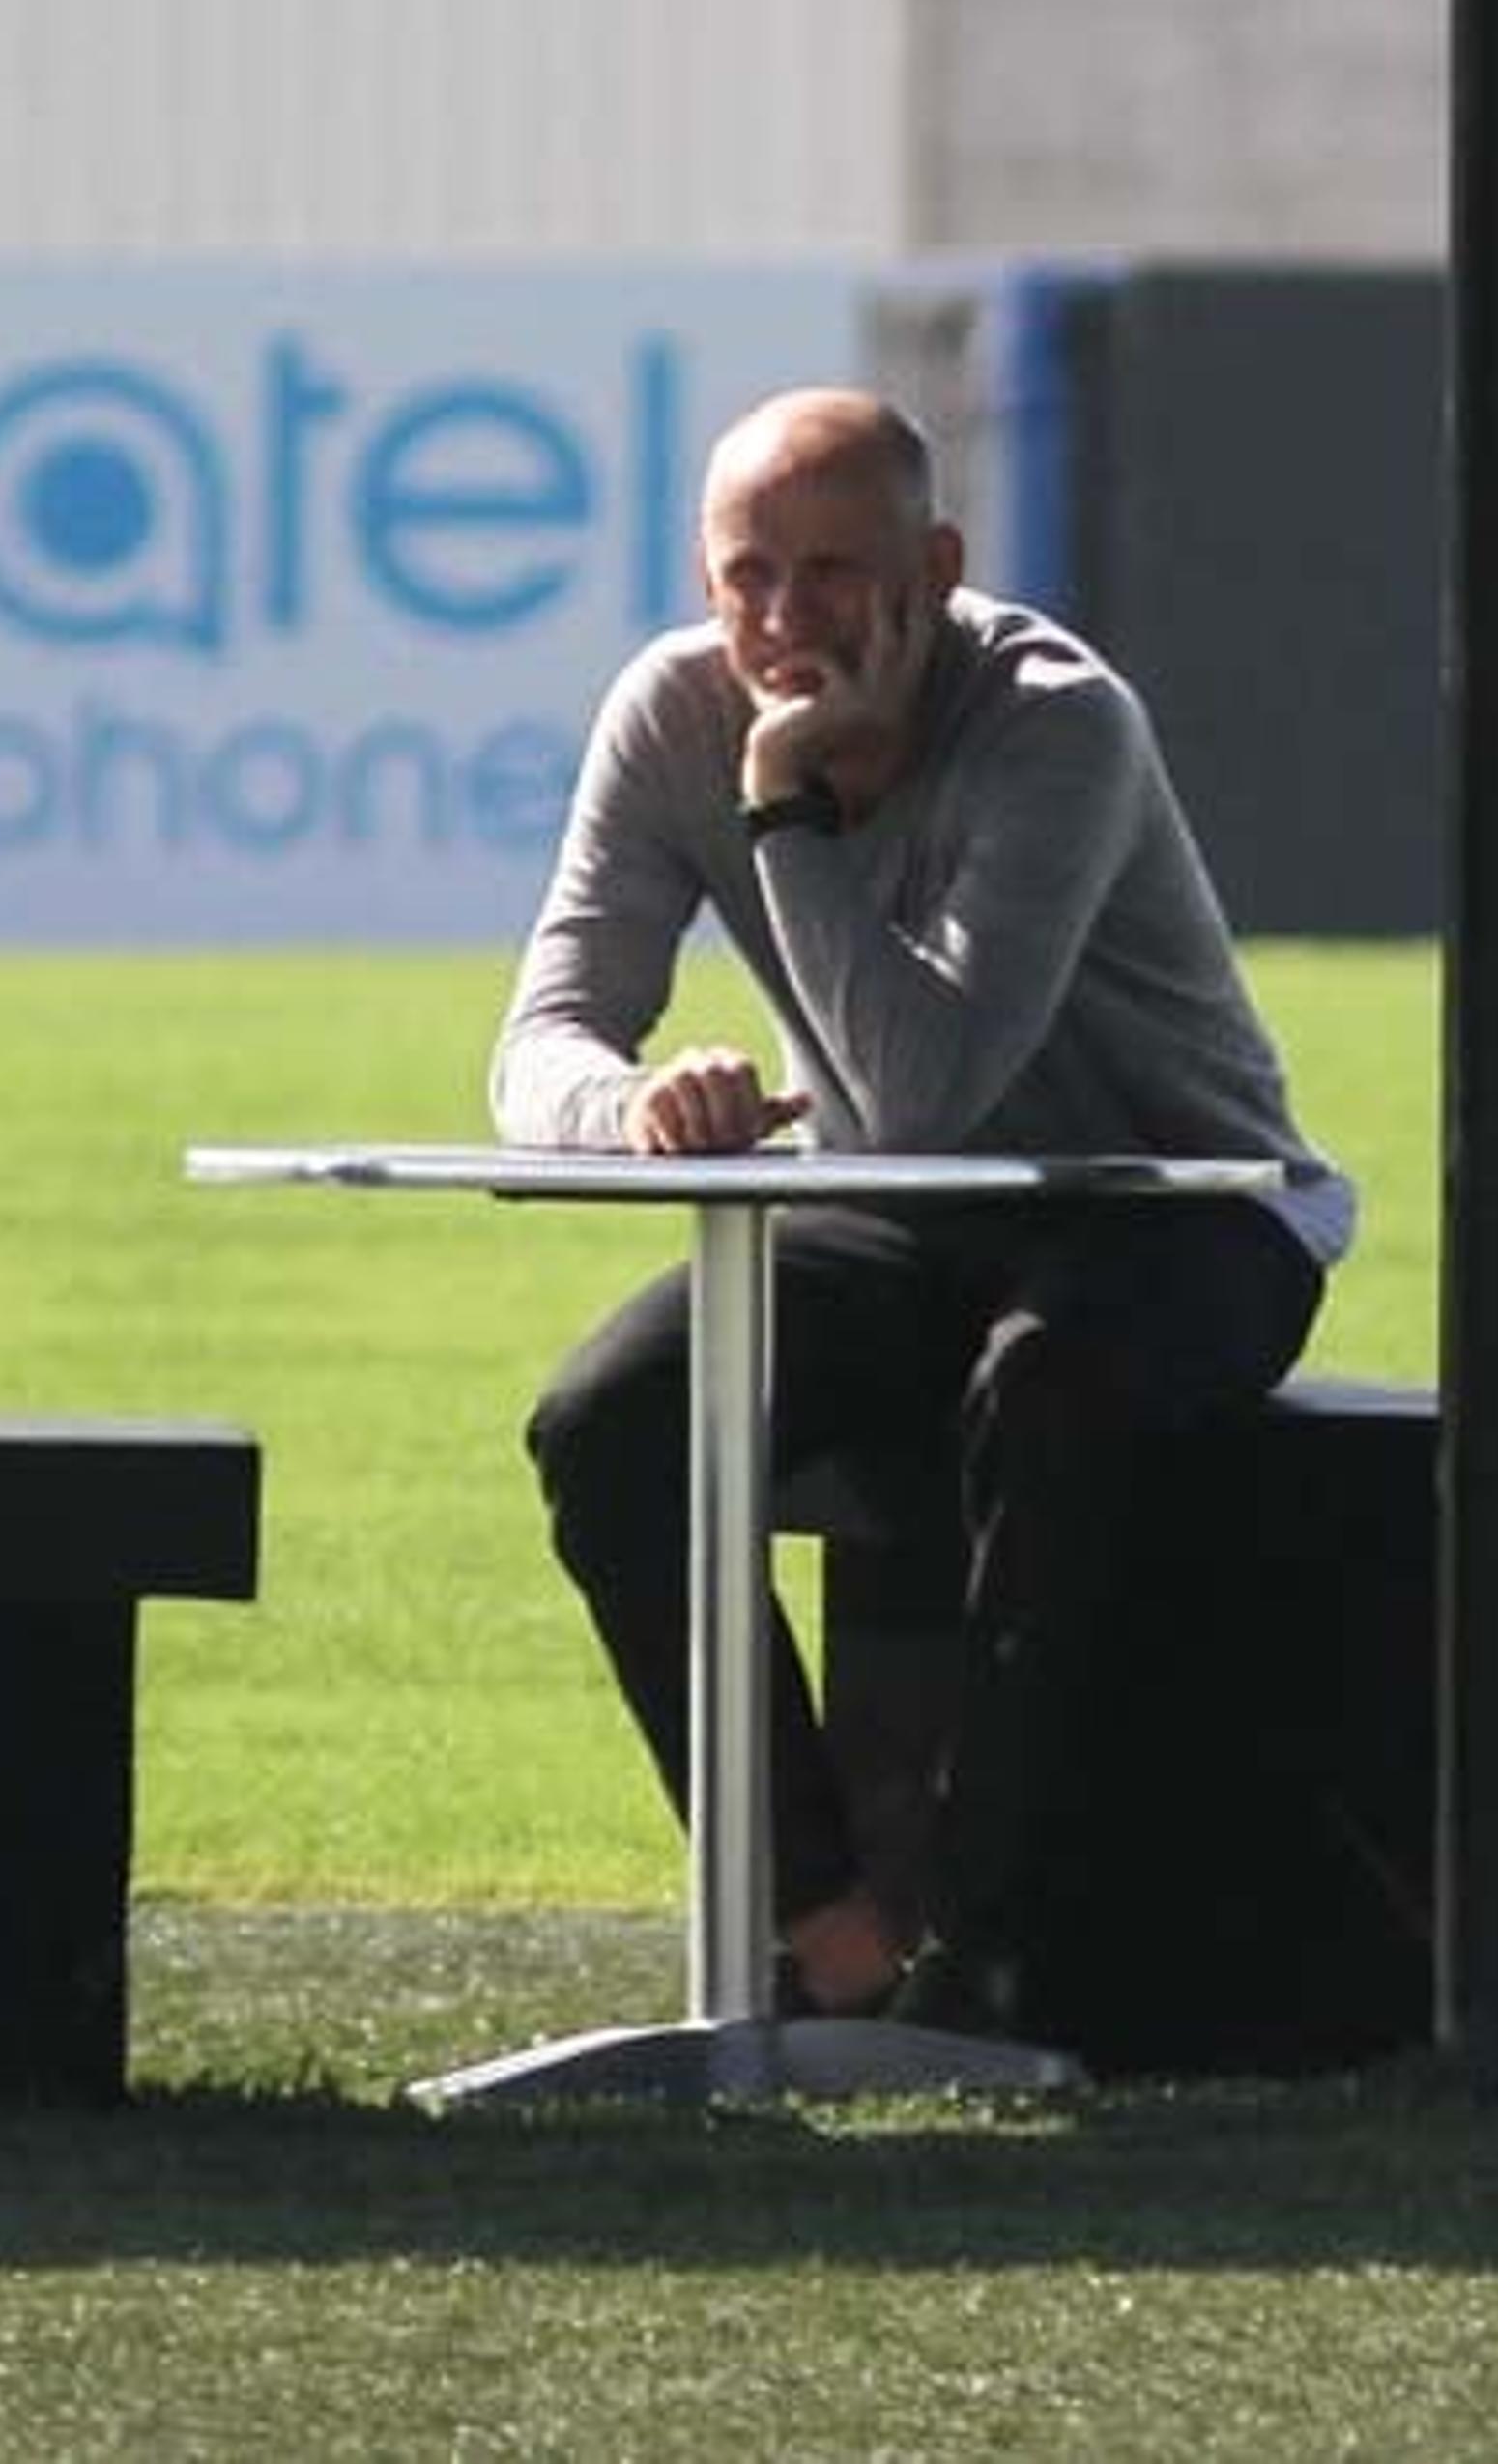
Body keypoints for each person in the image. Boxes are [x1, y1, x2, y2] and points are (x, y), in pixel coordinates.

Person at [492, 387, 1353, 2039]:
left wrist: (783, 805)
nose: (782, 620)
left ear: (938, 569)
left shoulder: (1056, 720)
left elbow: (933, 1079)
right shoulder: (668, 710)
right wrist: (644, 1109)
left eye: (833, 573)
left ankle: (991, 1944)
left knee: (1050, 1392)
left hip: (1185, 1208)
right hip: (908, 1211)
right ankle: (822, 1932)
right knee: (607, 1424)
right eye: (747, 575)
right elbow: (540, 1039)